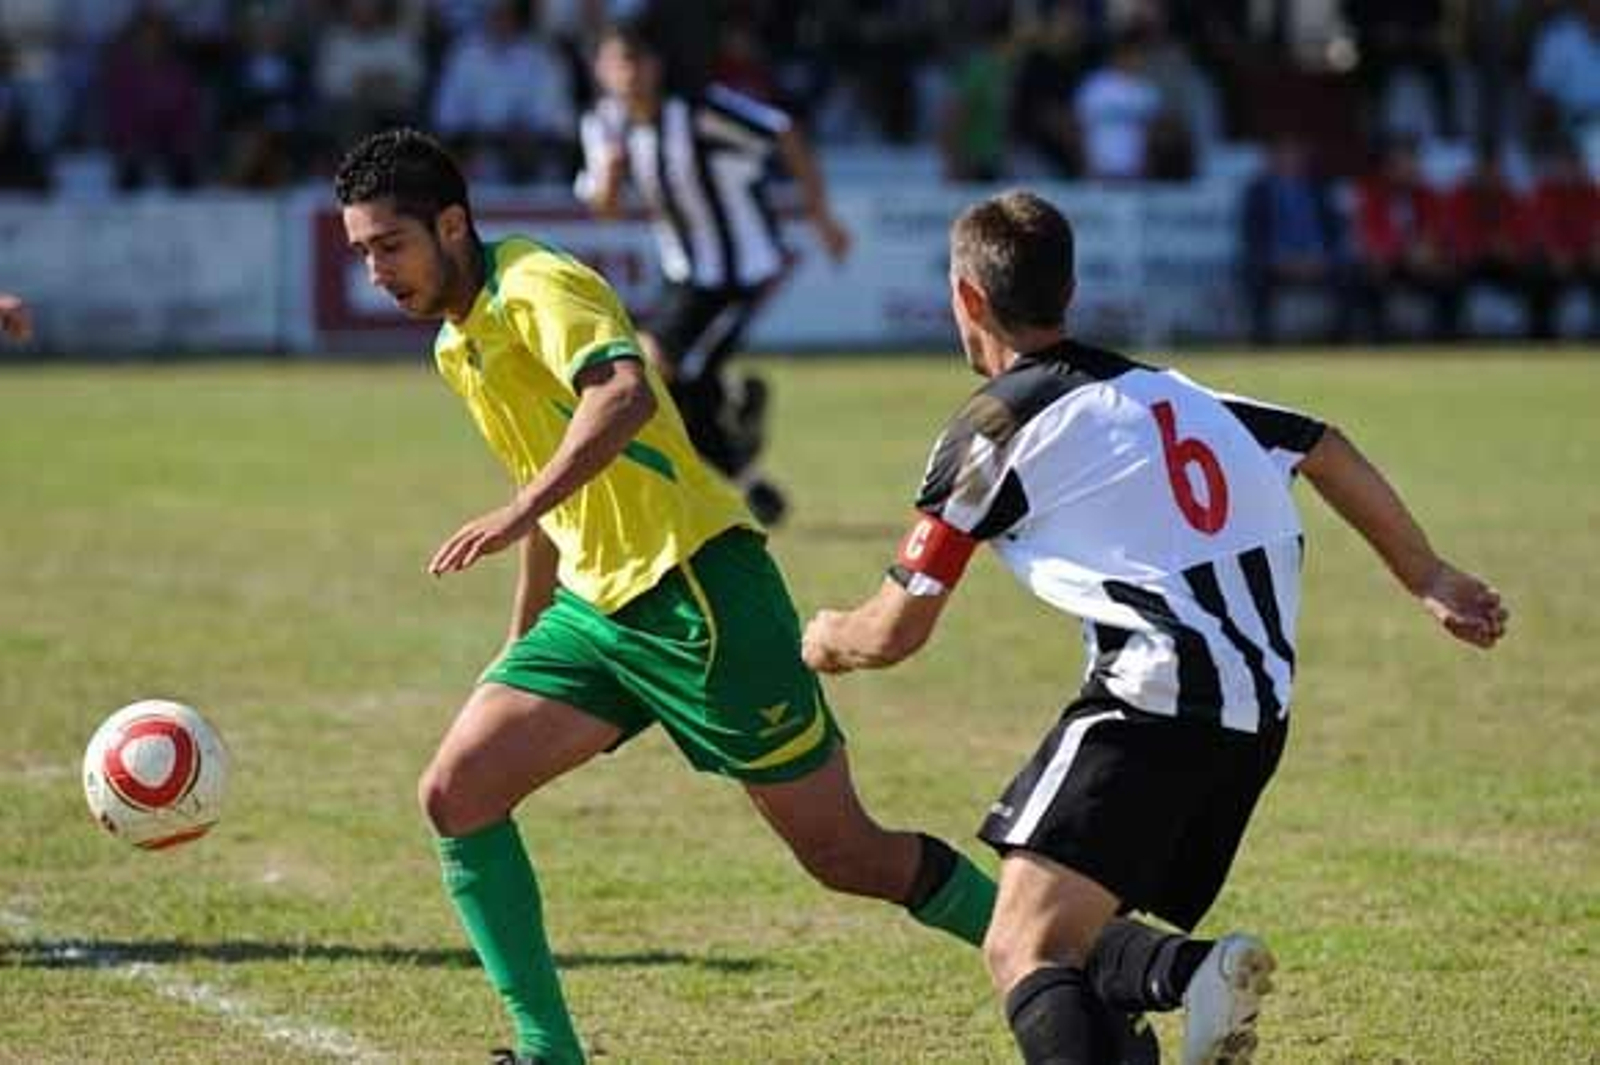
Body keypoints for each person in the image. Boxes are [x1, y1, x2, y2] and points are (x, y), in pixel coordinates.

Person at [334, 128, 996, 1065]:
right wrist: (521, 641)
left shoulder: (535, 284)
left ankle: (1081, 948)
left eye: (388, 247)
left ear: (452, 224)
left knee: (847, 854)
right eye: (360, 253)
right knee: (457, 790)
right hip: (598, 614)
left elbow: (622, 397)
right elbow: (552, 489)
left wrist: (516, 512)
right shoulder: (458, 342)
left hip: (698, 595)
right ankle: (547, 1051)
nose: (375, 274)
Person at [801, 190, 1508, 1065]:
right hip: (1253, 719)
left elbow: (893, 631)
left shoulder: (993, 428)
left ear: (967, 298)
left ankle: (1197, 973)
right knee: (1077, 934)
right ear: (1068, 289)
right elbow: (1322, 443)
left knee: (1022, 946)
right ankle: (1191, 974)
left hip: (1152, 702)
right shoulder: (1176, 393)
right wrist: (1427, 573)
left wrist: (822, 638)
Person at [575, 21, 852, 527]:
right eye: (617, 64)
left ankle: (689, 479)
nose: (627, 75)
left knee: (652, 368)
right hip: (683, 274)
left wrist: (821, 217)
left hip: (739, 272)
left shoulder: (699, 113)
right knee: (681, 388)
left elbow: (782, 130)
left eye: (635, 62)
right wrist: (610, 183)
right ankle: (745, 469)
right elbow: (606, 210)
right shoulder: (602, 125)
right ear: (599, 70)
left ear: (655, 68)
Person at [1239, 133, 1355, 345]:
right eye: (1284, 154)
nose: (1290, 159)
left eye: (1295, 154)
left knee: (1349, 271)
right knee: (1255, 273)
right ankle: (1262, 340)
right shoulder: (1258, 191)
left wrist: (1321, 258)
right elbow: (1252, 236)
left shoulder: (1320, 187)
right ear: (1271, 158)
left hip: (1318, 259)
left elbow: (1335, 229)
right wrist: (1280, 259)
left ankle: (1342, 338)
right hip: (1276, 261)